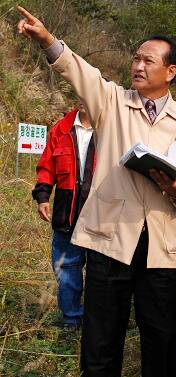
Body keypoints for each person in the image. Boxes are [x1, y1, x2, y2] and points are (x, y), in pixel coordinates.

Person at [17, 6, 176, 377]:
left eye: (148, 61)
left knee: (162, 335)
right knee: (101, 338)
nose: (138, 66)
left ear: (170, 71)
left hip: (160, 246)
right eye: (136, 58)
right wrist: (46, 40)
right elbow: (79, 72)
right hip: (110, 240)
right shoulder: (111, 101)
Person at [32, 101, 95, 328]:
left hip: (101, 218)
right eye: (81, 91)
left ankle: (98, 321)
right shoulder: (61, 129)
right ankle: (71, 318)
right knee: (67, 269)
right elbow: (47, 168)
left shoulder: (113, 129)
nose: (84, 97)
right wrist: (43, 197)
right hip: (66, 215)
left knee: (101, 273)